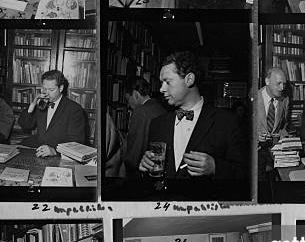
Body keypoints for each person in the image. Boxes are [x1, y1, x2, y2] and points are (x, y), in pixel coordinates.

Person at [139, 51, 248, 192]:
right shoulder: (157, 124)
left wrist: (215, 167)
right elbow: (152, 181)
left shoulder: (227, 122)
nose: (161, 89)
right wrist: (144, 168)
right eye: (161, 83)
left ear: (189, 79)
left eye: (167, 82)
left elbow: (244, 174)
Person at [18, 69, 87, 157]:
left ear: (61, 88)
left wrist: (54, 151)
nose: (46, 94)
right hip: (38, 150)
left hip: (59, 155)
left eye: (51, 89)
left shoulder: (74, 109)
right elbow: (25, 125)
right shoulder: (41, 103)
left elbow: (76, 142)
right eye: (44, 89)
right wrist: (33, 105)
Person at [124, 77, 165, 176]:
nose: (128, 105)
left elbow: (135, 150)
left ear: (136, 94)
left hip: (143, 170)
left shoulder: (140, 111)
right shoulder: (161, 108)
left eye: (128, 100)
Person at [257, 67, 290, 144]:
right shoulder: (254, 98)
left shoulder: (285, 99)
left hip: (275, 147)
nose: (282, 88)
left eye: (284, 84)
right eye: (278, 83)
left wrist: (283, 132)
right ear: (267, 81)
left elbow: (284, 123)